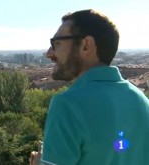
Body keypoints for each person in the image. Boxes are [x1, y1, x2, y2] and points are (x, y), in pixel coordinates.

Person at [30, 9, 149, 165]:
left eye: (56, 43)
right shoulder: (141, 100)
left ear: (86, 45)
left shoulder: (68, 104)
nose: (49, 53)